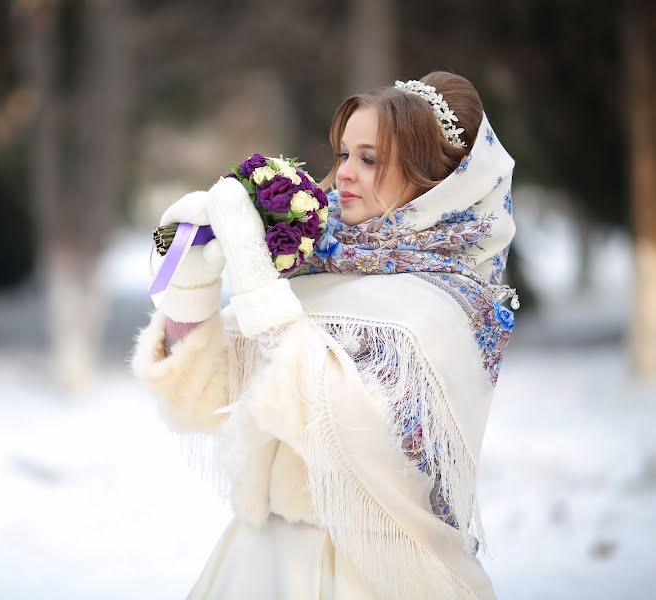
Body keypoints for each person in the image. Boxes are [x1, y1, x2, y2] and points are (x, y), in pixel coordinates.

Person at [131, 71, 518, 599]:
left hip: (376, 571)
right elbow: (211, 398)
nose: (345, 176)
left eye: (370, 158)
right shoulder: (312, 264)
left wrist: (258, 284)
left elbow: (352, 436)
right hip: (261, 559)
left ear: (434, 176)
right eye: (342, 155)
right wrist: (189, 287)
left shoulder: (454, 300)